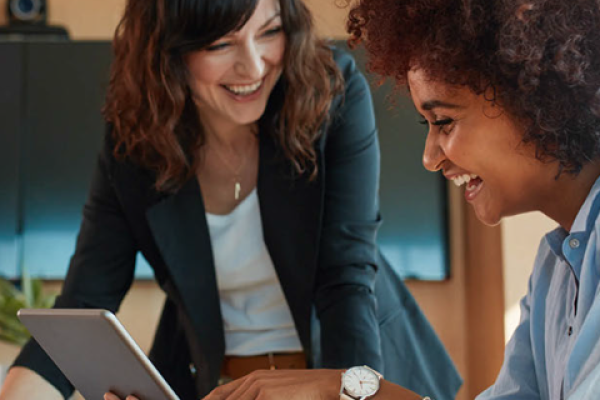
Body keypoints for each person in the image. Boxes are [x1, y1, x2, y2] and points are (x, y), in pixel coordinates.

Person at [0, 0, 460, 399]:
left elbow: (345, 277)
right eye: (220, 45)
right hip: (222, 385)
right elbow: (83, 305)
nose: (255, 66)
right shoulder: (136, 140)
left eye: (271, 32)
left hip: (352, 373)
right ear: (167, 51)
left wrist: (347, 395)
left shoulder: (329, 92)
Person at [196, 0, 600, 399]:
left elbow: (347, 273)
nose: (429, 158)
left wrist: (345, 389)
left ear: (538, 96)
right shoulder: (556, 266)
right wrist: (349, 389)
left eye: (444, 122)